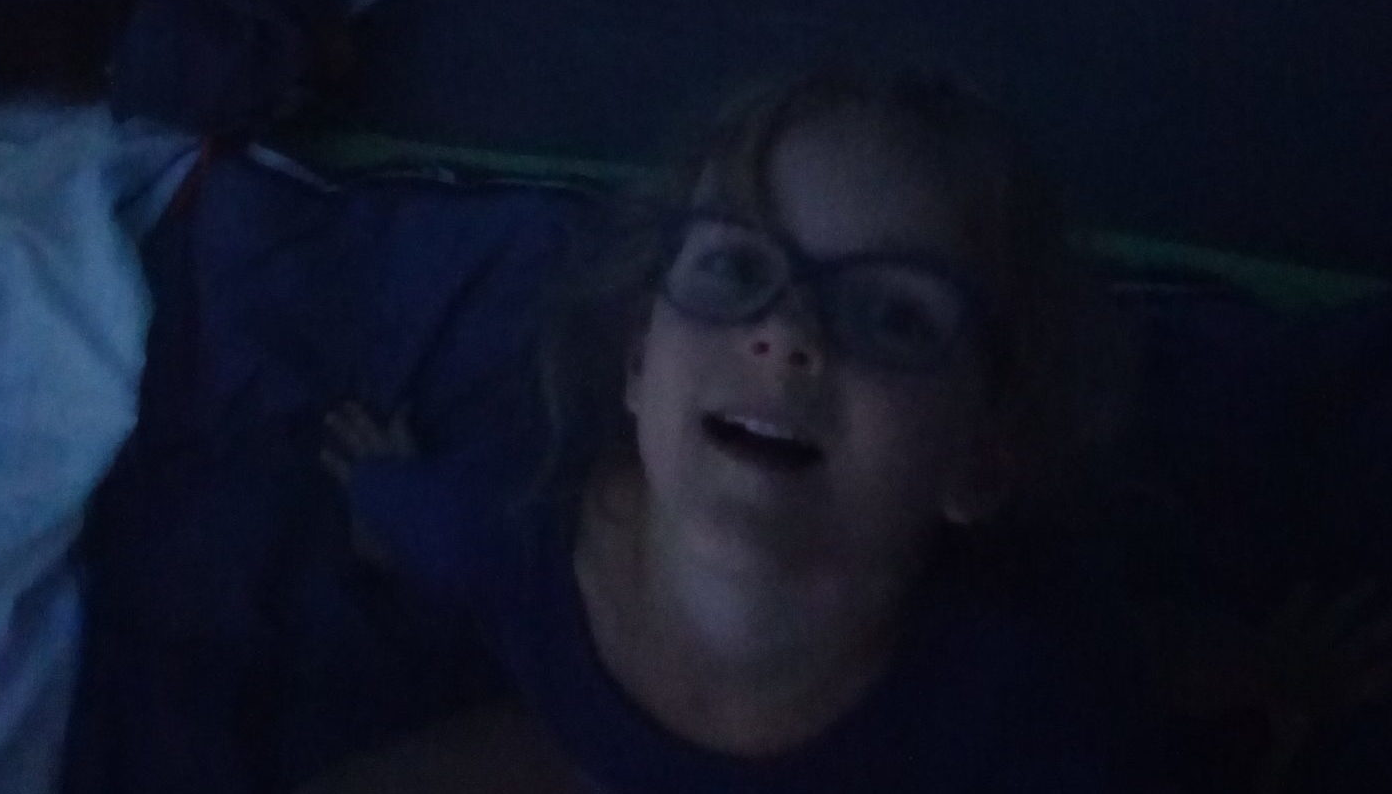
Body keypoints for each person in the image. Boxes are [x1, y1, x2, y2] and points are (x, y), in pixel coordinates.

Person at [304, 68, 1165, 791]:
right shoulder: (519, 533)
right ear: (639, 361)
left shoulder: (1009, 690)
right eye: (737, 267)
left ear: (978, 460)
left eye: (893, 316)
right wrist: (379, 484)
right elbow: (407, 523)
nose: (786, 333)